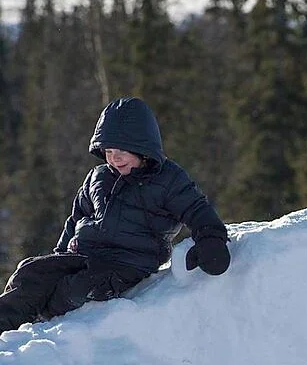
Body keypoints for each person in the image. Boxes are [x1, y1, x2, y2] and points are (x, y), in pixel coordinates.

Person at [0, 97, 231, 333]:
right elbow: (76, 217)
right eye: (109, 150)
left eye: (122, 151)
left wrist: (211, 241)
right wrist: (59, 258)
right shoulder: (98, 177)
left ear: (144, 149)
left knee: (76, 288)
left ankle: (41, 320)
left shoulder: (168, 180)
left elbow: (198, 210)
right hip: (85, 254)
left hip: (128, 262)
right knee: (31, 272)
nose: (114, 158)